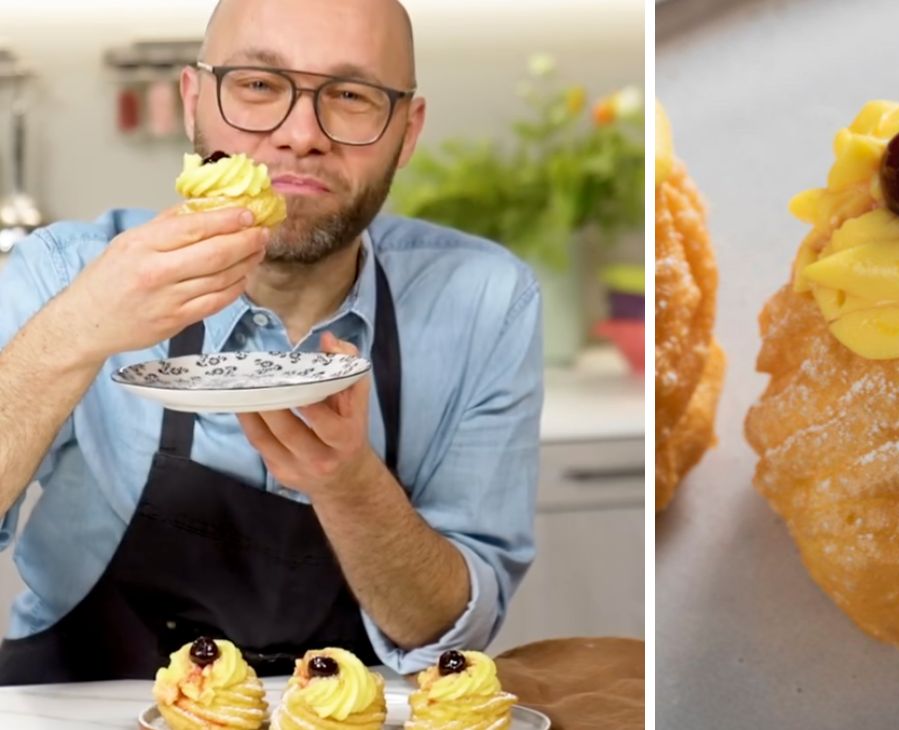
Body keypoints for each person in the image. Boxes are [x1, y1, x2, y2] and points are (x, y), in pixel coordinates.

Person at [0, 0, 541, 684]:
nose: (299, 134)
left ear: (408, 131)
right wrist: (74, 332)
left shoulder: (486, 300)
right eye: (259, 85)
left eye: (351, 95)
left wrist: (348, 484)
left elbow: (447, 636)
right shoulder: (65, 271)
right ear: (194, 99)